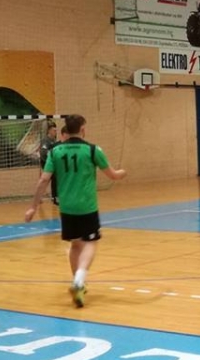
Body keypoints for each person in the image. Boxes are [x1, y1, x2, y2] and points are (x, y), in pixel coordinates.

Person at [24, 114, 127, 308]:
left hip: (67, 207)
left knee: (75, 245)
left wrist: (33, 207)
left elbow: (43, 180)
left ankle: (78, 284)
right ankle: (79, 280)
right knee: (91, 242)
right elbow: (113, 175)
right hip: (86, 206)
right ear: (82, 129)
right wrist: (122, 173)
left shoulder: (55, 151)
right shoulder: (92, 150)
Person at [39, 121, 60, 205]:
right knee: (50, 179)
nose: (55, 132)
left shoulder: (54, 140)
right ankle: (55, 198)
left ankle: (42, 196)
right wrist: (49, 161)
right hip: (46, 162)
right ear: (49, 131)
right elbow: (43, 153)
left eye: (56, 130)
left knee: (50, 180)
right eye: (54, 130)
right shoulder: (45, 140)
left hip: (53, 163)